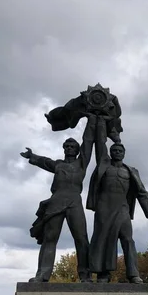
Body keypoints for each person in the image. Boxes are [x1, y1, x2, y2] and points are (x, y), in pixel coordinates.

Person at [20, 115, 96, 282]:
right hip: (56, 202)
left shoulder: (81, 163)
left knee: (82, 239)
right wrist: (32, 157)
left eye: (72, 146)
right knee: (50, 238)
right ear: (64, 149)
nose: (69, 148)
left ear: (77, 150)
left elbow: (88, 141)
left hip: (74, 202)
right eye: (67, 146)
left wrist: (91, 121)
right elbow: (44, 161)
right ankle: (42, 274)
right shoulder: (58, 165)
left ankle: (85, 275)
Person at [87, 118, 148, 283]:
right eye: (114, 150)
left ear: (124, 153)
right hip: (104, 209)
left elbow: (142, 193)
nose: (117, 152)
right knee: (103, 239)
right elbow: (100, 144)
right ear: (110, 153)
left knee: (128, 239)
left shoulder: (131, 171)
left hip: (122, 210)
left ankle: (133, 274)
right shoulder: (103, 166)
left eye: (120, 150)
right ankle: (103, 274)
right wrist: (100, 124)